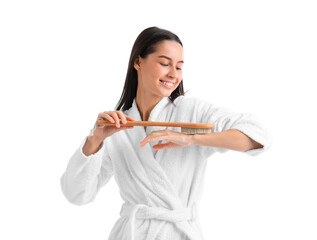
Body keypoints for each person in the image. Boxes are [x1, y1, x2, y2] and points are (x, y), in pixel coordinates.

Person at [60, 26, 272, 240]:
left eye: (179, 67)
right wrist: (96, 140)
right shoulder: (116, 126)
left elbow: (257, 136)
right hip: (132, 233)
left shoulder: (193, 112)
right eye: (164, 63)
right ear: (138, 62)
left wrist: (190, 139)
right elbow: (77, 194)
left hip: (179, 233)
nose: (173, 74)